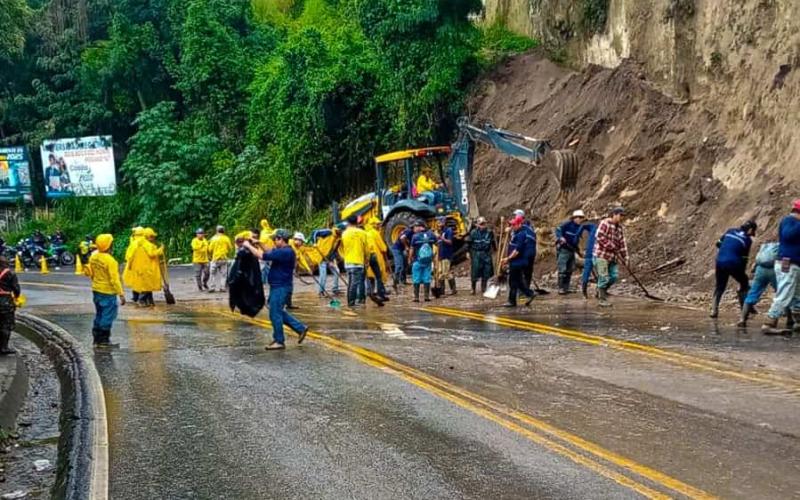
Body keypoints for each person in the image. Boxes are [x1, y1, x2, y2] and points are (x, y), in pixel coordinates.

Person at [242, 230, 308, 350]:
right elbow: (269, 251)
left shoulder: (284, 252)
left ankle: (279, 340)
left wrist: (248, 246)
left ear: (281, 239)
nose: (273, 241)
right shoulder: (284, 250)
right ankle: (300, 328)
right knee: (275, 310)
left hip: (281, 287)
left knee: (275, 314)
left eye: (275, 239)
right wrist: (259, 242)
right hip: (279, 285)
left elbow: (262, 256)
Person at [762, 200, 800, 334]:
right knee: (785, 293)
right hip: (788, 263)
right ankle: (770, 321)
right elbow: (788, 235)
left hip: (793, 264)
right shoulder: (789, 221)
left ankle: (798, 321)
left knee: (797, 294)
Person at [84, 234, 125, 347]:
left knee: (99, 314)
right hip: (108, 292)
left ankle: (96, 339)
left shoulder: (93, 257)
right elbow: (114, 280)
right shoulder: (110, 261)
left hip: (96, 290)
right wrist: (121, 294)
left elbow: (90, 273)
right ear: (109, 246)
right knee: (108, 315)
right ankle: (104, 340)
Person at [710, 220, 756, 319]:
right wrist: (742, 274)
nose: (752, 235)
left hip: (720, 261)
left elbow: (718, 244)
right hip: (734, 263)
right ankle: (744, 307)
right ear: (750, 230)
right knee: (744, 282)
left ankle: (713, 310)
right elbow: (744, 259)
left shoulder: (730, 231)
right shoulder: (747, 240)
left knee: (720, 286)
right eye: (752, 232)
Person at [593, 207, 628, 307]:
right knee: (603, 277)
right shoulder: (605, 223)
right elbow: (599, 236)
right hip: (602, 255)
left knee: (613, 276)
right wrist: (611, 246)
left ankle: (600, 290)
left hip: (613, 257)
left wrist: (625, 257)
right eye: (620, 215)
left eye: (622, 216)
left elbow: (622, 243)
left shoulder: (619, 228)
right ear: (614, 214)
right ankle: (602, 300)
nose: (621, 218)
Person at [739, 240, 778, 327]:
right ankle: (790, 319)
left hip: (760, 270)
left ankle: (742, 319)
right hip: (774, 270)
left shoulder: (764, 248)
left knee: (753, 293)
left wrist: (753, 271)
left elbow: (754, 266)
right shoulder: (781, 247)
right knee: (782, 294)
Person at [228, 231, 265, 318]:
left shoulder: (246, 252)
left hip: (246, 281)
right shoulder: (246, 252)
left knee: (245, 297)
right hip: (246, 281)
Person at [501, 216, 535, 307]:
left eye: (514, 225)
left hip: (518, 262)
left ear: (520, 224)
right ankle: (530, 294)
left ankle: (512, 301)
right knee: (519, 281)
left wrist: (507, 259)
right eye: (512, 225)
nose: (512, 226)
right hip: (515, 261)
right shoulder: (515, 233)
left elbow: (517, 251)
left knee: (513, 281)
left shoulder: (521, 235)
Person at [555, 209, 587, 294]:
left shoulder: (579, 228)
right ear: (574, 218)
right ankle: (561, 288)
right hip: (564, 249)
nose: (580, 219)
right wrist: (560, 237)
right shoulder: (567, 224)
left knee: (569, 269)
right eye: (579, 217)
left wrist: (580, 251)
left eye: (581, 218)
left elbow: (577, 240)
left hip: (572, 250)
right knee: (562, 269)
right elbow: (558, 230)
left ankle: (566, 288)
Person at [341, 217, 369, 307]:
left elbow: (341, 248)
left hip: (347, 262)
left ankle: (350, 302)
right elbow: (366, 249)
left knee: (350, 283)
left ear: (348, 222)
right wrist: (367, 260)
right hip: (358, 262)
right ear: (357, 222)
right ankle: (351, 303)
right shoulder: (362, 233)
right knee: (354, 284)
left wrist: (344, 257)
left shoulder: (344, 233)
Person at [133, 228, 164, 307]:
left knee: (149, 285)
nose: (154, 238)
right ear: (149, 237)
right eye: (153, 236)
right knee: (147, 286)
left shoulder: (143, 244)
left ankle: (150, 301)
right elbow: (152, 254)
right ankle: (141, 300)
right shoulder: (147, 244)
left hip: (146, 267)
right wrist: (160, 250)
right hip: (147, 268)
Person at [466, 217, 494, 294]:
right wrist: (468, 252)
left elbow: (493, 243)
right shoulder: (473, 232)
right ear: (477, 225)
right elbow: (468, 243)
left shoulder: (489, 232)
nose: (483, 226)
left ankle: (483, 288)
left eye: (484, 224)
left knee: (486, 271)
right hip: (476, 253)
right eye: (481, 224)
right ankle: (473, 288)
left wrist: (494, 252)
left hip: (486, 253)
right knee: (475, 271)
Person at [409, 220, 436, 303]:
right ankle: (426, 296)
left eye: (415, 227)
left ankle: (416, 297)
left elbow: (412, 249)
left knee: (416, 278)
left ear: (420, 227)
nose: (414, 228)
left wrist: (409, 258)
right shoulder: (431, 234)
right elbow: (437, 244)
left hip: (418, 261)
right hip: (428, 261)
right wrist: (435, 257)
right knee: (427, 278)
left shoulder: (415, 236)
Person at [365, 217, 390, 301]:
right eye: (377, 224)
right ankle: (381, 293)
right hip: (376, 256)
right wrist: (385, 250)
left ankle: (370, 292)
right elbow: (383, 247)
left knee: (370, 276)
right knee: (379, 276)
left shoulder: (366, 233)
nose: (379, 225)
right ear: (373, 225)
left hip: (367, 257)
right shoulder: (375, 233)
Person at [0, 256, 21, 355]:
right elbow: (16, 289)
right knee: (6, 325)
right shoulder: (10, 274)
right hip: (5, 303)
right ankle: (4, 347)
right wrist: (16, 297)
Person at [314, 226, 341, 297]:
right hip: (321, 256)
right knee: (323, 275)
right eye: (340, 230)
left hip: (329, 258)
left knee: (337, 271)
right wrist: (314, 243)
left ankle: (335, 289)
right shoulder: (328, 232)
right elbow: (315, 232)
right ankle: (321, 292)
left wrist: (332, 261)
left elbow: (334, 250)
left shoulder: (339, 239)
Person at [208, 225, 233, 293]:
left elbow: (210, 249)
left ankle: (212, 287)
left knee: (212, 274)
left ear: (216, 231)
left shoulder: (213, 239)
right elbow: (230, 248)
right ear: (223, 231)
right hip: (224, 258)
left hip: (215, 259)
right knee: (223, 274)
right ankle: (222, 287)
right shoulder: (226, 238)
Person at [435, 217, 457, 295]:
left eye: (440, 222)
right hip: (441, 255)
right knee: (441, 273)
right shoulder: (440, 231)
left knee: (446, 273)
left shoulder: (448, 231)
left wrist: (441, 238)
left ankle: (453, 289)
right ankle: (442, 290)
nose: (438, 223)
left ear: (444, 222)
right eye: (438, 222)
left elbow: (450, 242)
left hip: (447, 255)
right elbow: (438, 243)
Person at [123, 227, 145, 302]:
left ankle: (136, 297)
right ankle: (142, 298)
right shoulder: (145, 242)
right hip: (144, 265)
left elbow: (129, 256)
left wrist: (129, 264)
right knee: (143, 281)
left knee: (135, 280)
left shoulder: (134, 242)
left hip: (134, 264)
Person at [580, 222, 598, 299]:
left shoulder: (594, 226)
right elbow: (583, 225)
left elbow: (583, 225)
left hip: (597, 254)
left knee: (600, 273)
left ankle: (599, 291)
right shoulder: (594, 226)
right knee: (587, 272)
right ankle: (584, 292)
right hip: (591, 253)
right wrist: (578, 234)